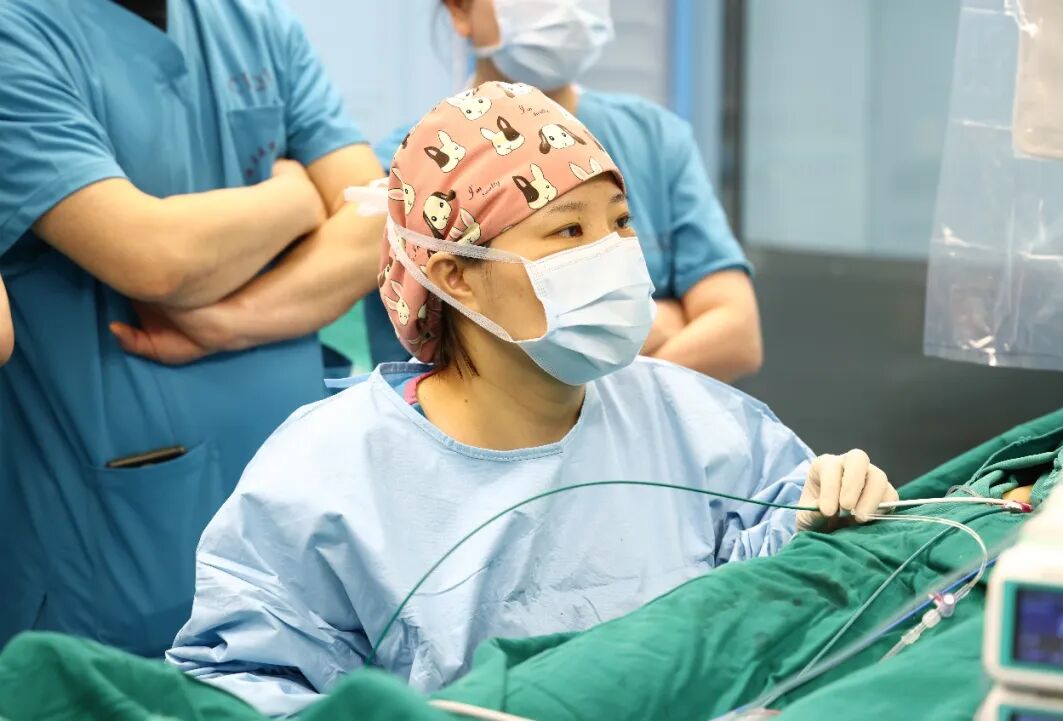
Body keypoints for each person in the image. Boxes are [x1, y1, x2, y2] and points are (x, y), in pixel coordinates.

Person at [167, 82, 898, 717]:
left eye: (620, 222)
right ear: (455, 275)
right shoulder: (329, 478)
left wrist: (825, 517)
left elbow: (780, 592)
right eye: (569, 229)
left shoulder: (691, 422)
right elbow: (240, 689)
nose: (613, 252)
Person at [0, 0, 386, 656]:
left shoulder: (257, 23)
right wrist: (295, 196)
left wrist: (230, 321)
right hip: (109, 563)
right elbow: (153, 259)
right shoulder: (19, 33)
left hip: (295, 541)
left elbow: (378, 217)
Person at [363, 0, 762, 382]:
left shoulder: (653, 137)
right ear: (460, 9)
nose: (564, 8)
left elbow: (737, 335)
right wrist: (655, 325)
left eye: (622, 221)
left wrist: (601, 391)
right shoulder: (417, 171)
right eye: (568, 230)